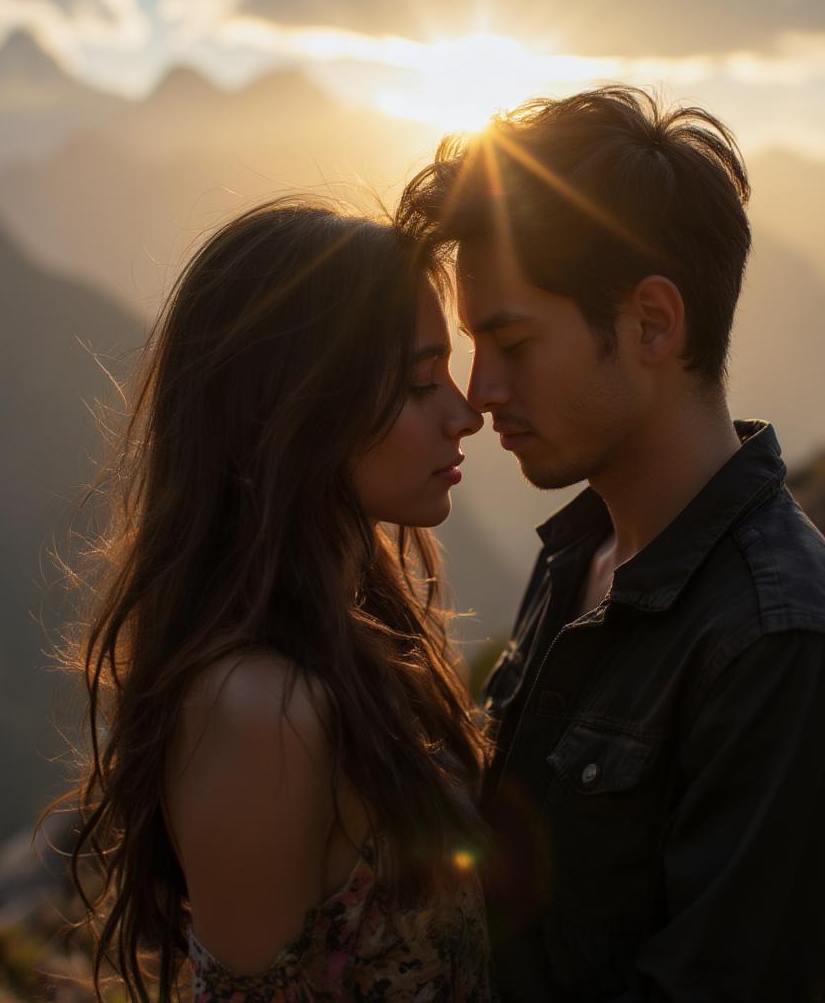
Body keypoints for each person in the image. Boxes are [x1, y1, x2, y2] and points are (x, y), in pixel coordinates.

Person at [397, 86, 825, 1001]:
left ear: (652, 322)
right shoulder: (582, 554)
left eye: (511, 342)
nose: (480, 392)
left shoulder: (782, 648)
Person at [46, 200, 495, 1003]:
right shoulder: (261, 709)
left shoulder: (362, 634)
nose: (466, 415)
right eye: (424, 381)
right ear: (301, 407)